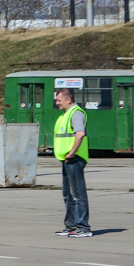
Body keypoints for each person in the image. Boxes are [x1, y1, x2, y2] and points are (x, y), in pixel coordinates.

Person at [53, 88, 90, 237]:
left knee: (78, 194)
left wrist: (72, 152)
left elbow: (80, 134)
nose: (57, 103)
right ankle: (71, 226)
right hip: (67, 160)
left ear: (68, 100)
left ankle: (83, 228)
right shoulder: (65, 114)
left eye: (59, 101)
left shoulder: (76, 113)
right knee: (68, 194)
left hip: (74, 159)